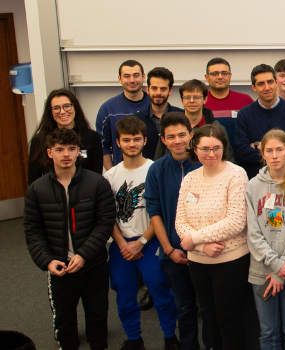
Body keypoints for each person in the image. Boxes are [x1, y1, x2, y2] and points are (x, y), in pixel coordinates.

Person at [24, 127, 115, 350]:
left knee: (97, 317)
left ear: (78, 153)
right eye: (59, 149)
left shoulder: (97, 183)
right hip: (59, 268)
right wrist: (47, 261)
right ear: (49, 153)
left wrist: (84, 255)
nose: (66, 154)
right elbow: (32, 230)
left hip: (93, 266)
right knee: (64, 322)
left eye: (71, 149)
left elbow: (104, 224)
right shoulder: (37, 189)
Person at [105, 117, 180, 350]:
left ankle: (170, 336)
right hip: (121, 245)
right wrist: (123, 244)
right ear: (118, 143)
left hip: (151, 240)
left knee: (159, 288)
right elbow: (107, 216)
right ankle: (134, 339)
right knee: (123, 292)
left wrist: (141, 242)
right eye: (126, 140)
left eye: (137, 139)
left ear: (145, 140)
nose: (131, 144)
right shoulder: (110, 176)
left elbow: (160, 212)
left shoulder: (154, 170)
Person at [174, 125, 250, 350]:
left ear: (224, 148)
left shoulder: (236, 174)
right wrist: (201, 246)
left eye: (216, 148)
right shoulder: (190, 178)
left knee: (228, 321)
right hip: (199, 262)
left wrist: (194, 239)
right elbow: (180, 220)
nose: (211, 154)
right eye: (205, 149)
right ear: (194, 150)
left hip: (230, 261)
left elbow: (236, 221)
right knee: (210, 319)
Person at [146, 113, 210, 350]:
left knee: (208, 307)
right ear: (163, 140)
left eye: (182, 134)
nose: (177, 141)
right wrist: (169, 249)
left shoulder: (205, 164)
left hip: (205, 252)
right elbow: (154, 212)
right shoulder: (156, 170)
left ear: (192, 135)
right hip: (174, 253)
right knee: (184, 308)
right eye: (170, 137)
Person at [245, 130, 285, 350]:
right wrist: (275, 265)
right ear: (262, 154)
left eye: (279, 150)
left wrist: (284, 266)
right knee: (268, 333)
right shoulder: (253, 185)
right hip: (261, 271)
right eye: (269, 150)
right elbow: (253, 233)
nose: (274, 155)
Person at [233, 64, 285, 178]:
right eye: (261, 84)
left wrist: (258, 145)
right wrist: (283, 145)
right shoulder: (244, 114)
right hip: (255, 179)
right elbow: (241, 151)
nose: (267, 87)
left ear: (276, 82)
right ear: (253, 87)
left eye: (270, 82)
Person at [27, 89, 103, 184]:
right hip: (51, 195)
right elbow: (33, 180)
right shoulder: (39, 140)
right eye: (56, 108)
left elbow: (96, 176)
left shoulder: (92, 137)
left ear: (75, 107)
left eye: (67, 106)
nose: (62, 112)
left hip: (85, 195)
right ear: (50, 112)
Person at [155, 80, 233, 161]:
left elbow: (228, 159)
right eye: (187, 97)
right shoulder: (170, 127)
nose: (192, 101)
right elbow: (159, 159)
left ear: (205, 99)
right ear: (182, 100)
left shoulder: (217, 128)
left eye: (196, 97)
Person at [98, 60, 150, 169]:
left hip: (153, 174)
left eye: (136, 75)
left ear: (143, 77)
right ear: (119, 79)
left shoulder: (154, 106)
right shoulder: (108, 109)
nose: (132, 80)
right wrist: (112, 175)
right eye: (127, 76)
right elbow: (103, 147)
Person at [131, 67, 184, 161]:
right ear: (147, 89)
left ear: (170, 90)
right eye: (154, 88)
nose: (158, 93)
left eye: (163, 89)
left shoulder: (182, 117)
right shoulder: (136, 120)